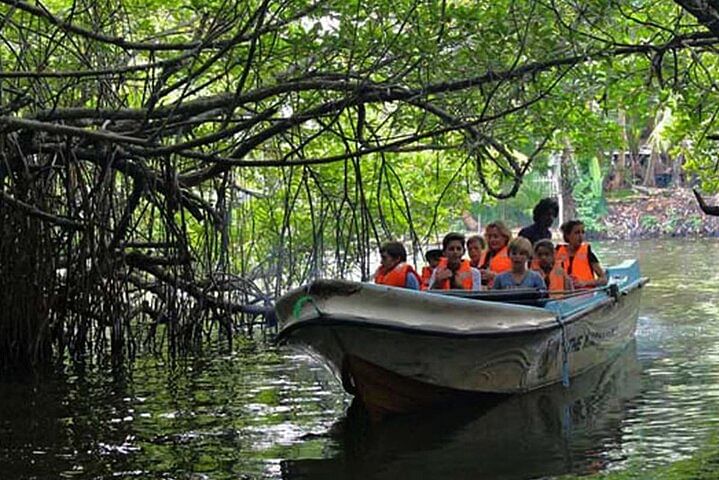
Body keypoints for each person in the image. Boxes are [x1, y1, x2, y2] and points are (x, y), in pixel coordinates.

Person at [556, 220, 607, 289]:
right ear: (568, 236)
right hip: (562, 294)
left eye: (582, 232)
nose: (581, 236)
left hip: (584, 294)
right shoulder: (556, 252)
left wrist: (585, 283)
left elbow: (604, 279)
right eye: (577, 233)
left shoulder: (588, 254)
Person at [477, 221, 513, 286]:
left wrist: (494, 276)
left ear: (505, 237)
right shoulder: (485, 255)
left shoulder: (513, 254)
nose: (492, 240)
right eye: (489, 237)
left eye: (496, 237)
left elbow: (517, 279)